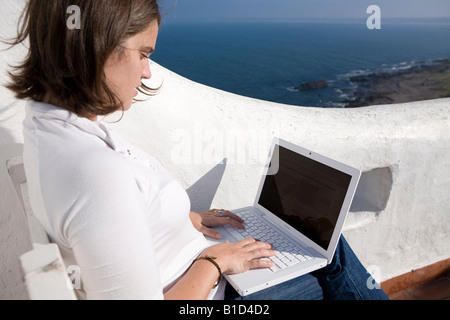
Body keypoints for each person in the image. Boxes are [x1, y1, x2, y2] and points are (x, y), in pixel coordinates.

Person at [6, 0, 388, 300]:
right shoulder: (96, 174)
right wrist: (216, 262)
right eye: (143, 53)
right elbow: (105, 199)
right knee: (326, 251)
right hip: (216, 290)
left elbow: (116, 221)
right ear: (95, 45)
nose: (147, 72)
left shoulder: (46, 126)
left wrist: (182, 219)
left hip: (203, 268)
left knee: (307, 240)